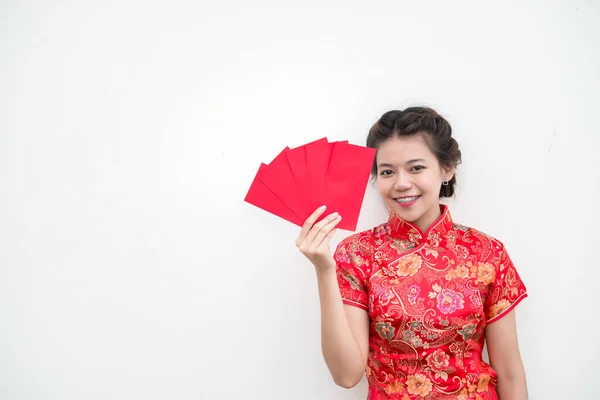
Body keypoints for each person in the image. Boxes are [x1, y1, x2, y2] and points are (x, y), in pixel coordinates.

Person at [295, 107, 528, 399]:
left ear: (447, 168)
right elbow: (346, 375)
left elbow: (509, 372)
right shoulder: (357, 253)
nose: (401, 183)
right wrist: (324, 270)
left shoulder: (487, 252)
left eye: (416, 168)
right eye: (387, 172)